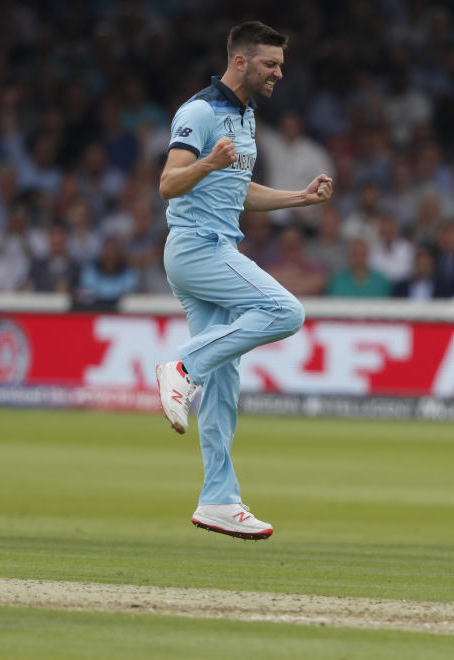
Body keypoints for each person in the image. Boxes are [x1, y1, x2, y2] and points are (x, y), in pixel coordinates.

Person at [154, 21, 333, 541]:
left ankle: (218, 499)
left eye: (281, 64)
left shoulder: (245, 115)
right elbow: (168, 183)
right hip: (197, 248)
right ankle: (180, 366)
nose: (280, 72)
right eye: (271, 64)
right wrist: (209, 161)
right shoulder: (200, 112)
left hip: (213, 248)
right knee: (285, 312)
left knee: (224, 380)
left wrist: (298, 199)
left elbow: (240, 191)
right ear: (241, 62)